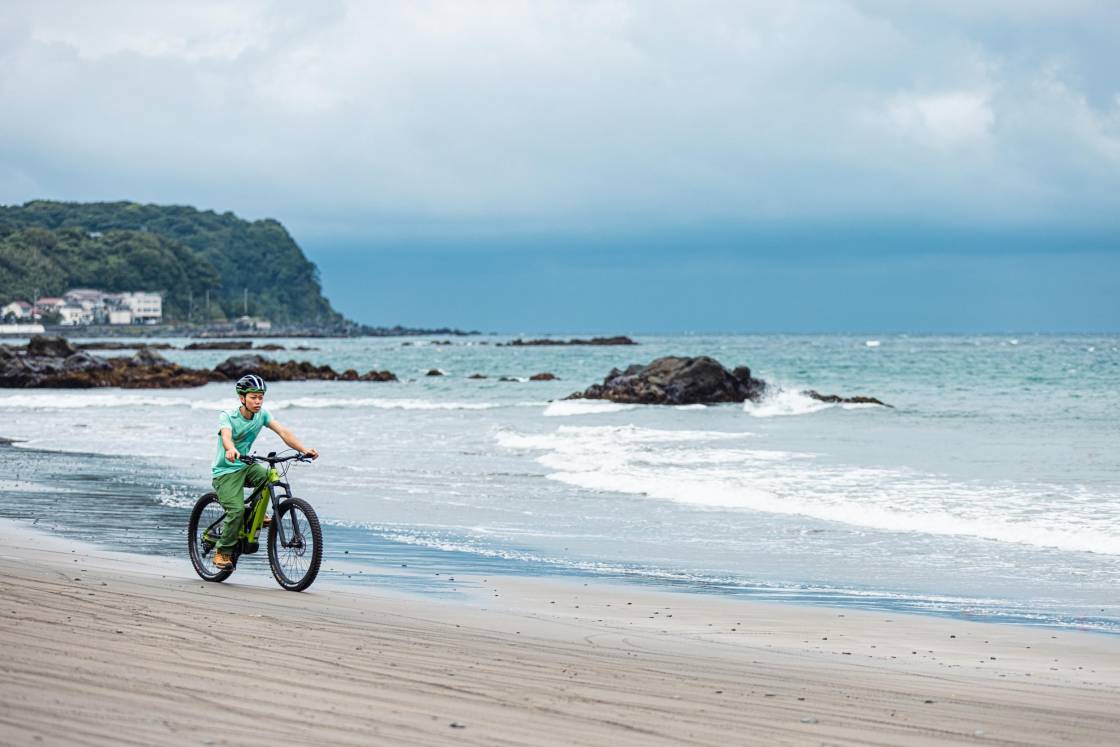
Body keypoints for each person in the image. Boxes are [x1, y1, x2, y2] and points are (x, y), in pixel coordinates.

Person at [210, 373, 319, 570]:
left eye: (261, 397)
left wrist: (303, 450)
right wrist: (231, 450)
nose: (258, 401)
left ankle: (258, 515)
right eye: (253, 397)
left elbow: (283, 432)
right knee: (236, 510)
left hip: (246, 465)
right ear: (242, 398)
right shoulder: (228, 416)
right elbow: (226, 436)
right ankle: (222, 552)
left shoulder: (263, 415)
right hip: (225, 471)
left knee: (268, 476)